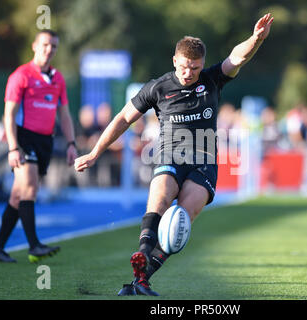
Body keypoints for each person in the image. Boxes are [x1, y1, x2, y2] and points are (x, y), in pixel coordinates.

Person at [75, 13, 274, 296]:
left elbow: (237, 58)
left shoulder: (213, 80)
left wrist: (255, 39)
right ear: (174, 61)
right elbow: (123, 118)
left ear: (202, 64)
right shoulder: (158, 88)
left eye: (194, 68)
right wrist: (95, 152)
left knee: (182, 219)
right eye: (184, 67)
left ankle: (141, 278)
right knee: (160, 196)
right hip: (170, 156)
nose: (188, 73)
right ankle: (142, 253)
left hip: (204, 164)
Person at [0, 29, 78, 263]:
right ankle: (34, 245)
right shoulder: (21, 76)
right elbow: (9, 115)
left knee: (18, 196)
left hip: (45, 141)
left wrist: (71, 143)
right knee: (30, 188)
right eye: (45, 45)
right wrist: (13, 146)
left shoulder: (57, 78)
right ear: (34, 46)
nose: (49, 50)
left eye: (54, 46)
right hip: (23, 138)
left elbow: (65, 115)